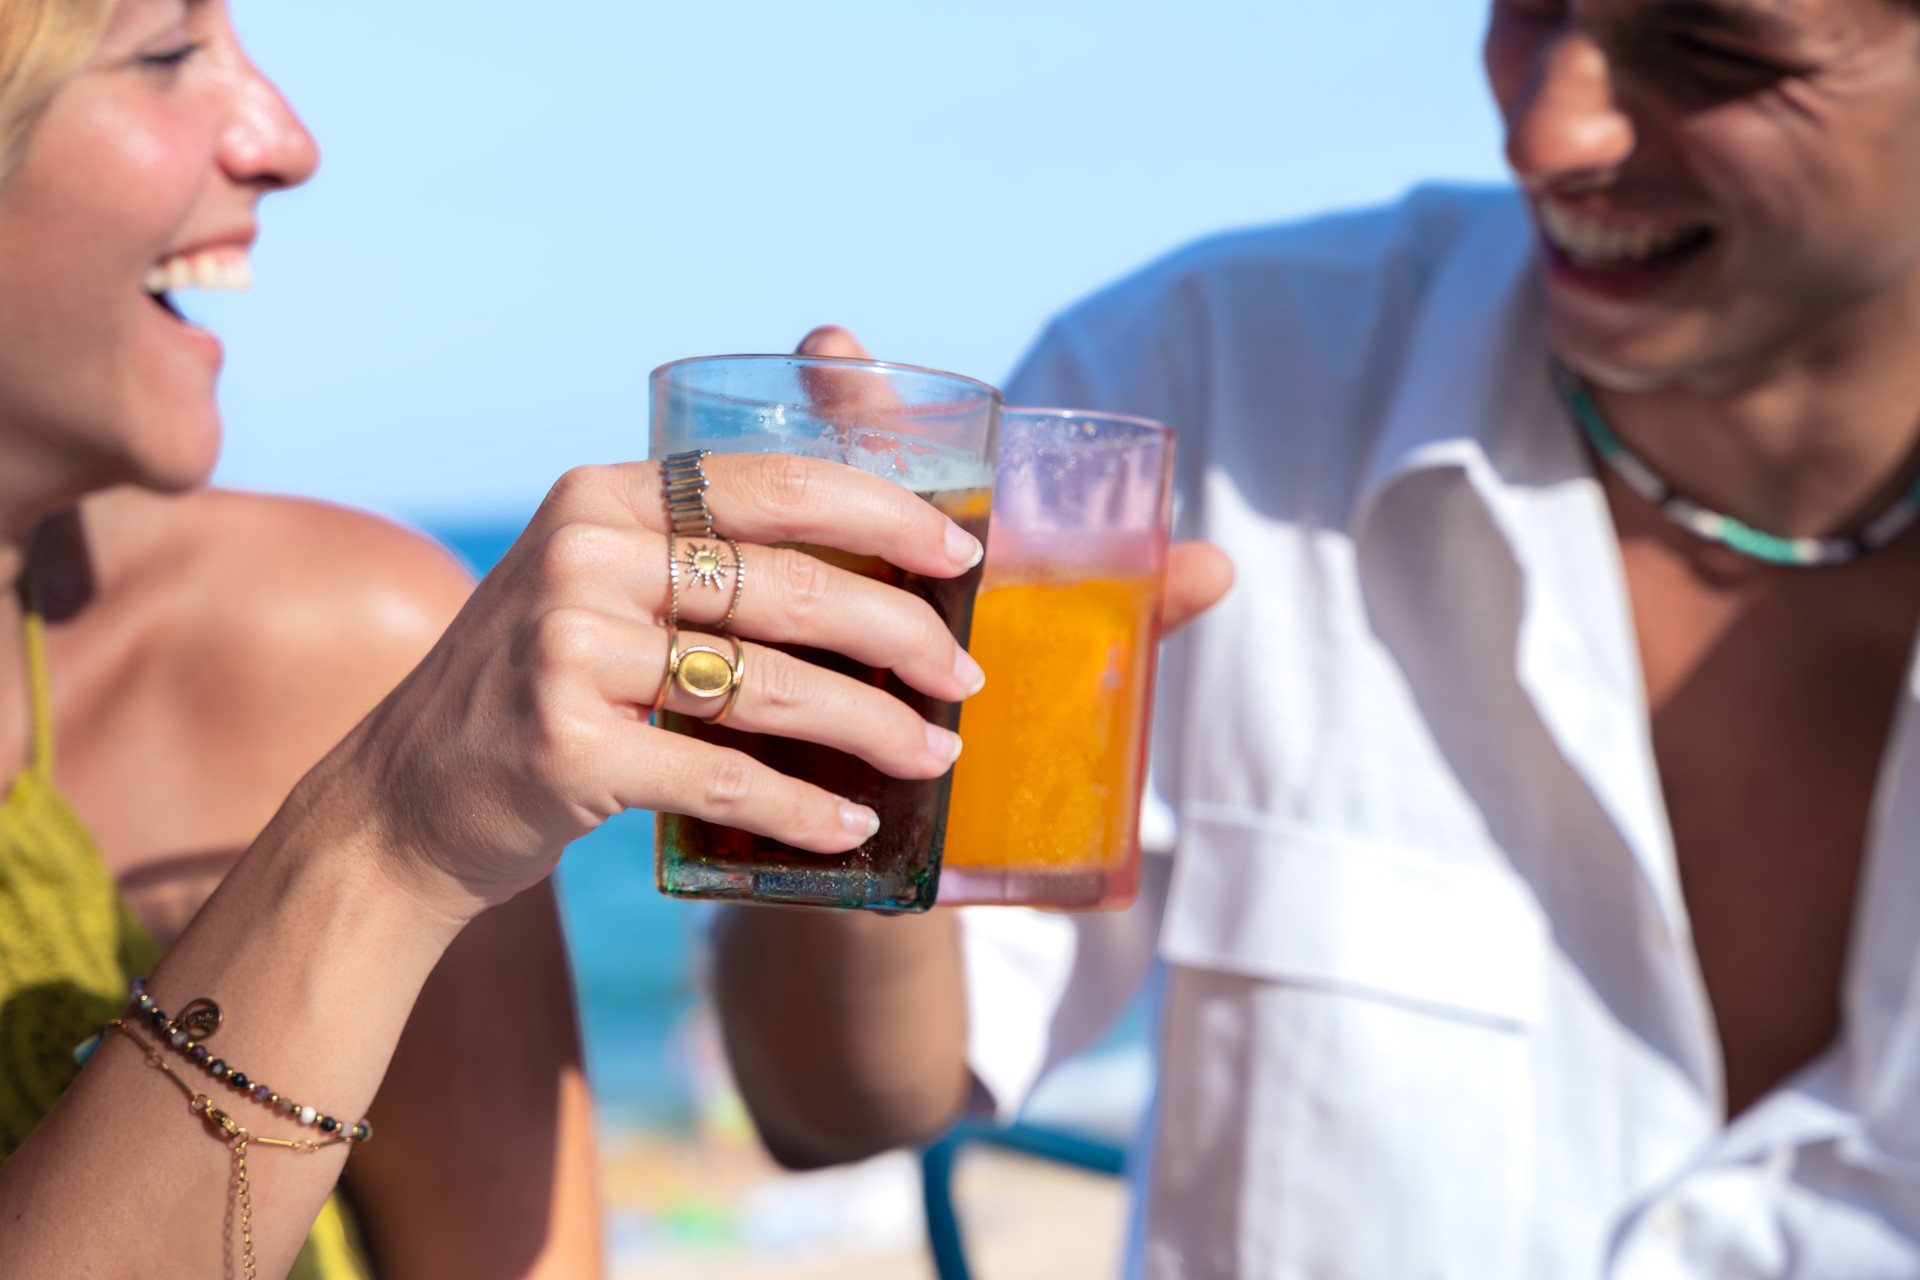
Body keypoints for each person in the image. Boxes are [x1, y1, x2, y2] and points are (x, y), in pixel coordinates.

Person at [714, 0, 1920, 1275]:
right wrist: (859, 767)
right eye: (1531, 8)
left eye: (1717, 48)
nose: (1549, 131)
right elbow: (830, 1104)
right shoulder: (1201, 384)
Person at [0, 1, 990, 1277]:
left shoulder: (338, 638)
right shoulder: (379, 720)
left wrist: (879, 747)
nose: (287, 141)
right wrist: (380, 836)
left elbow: (844, 1103)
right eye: (163, 50)